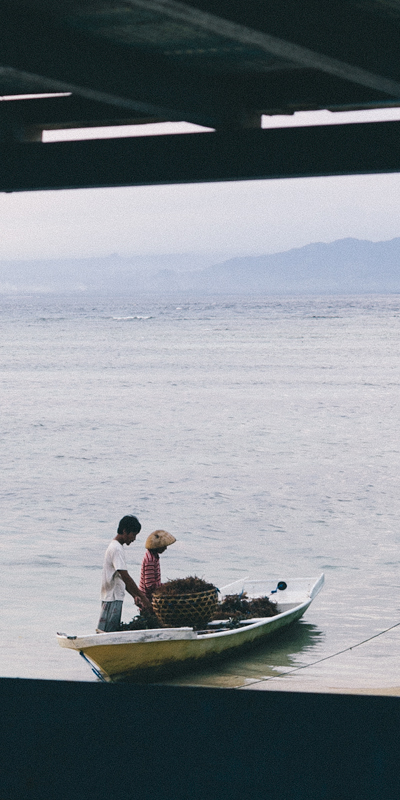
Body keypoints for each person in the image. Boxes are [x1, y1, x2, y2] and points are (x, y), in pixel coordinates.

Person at [97, 515, 152, 632]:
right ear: (125, 531)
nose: (134, 539)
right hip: (112, 597)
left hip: (112, 596)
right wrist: (143, 597)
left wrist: (134, 596)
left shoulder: (116, 547)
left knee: (106, 631)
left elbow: (121, 578)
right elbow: (125, 576)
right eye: (133, 534)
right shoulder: (116, 549)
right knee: (108, 633)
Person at [138, 529, 176, 604]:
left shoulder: (154, 556)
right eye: (164, 546)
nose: (165, 548)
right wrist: (166, 586)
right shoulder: (150, 559)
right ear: (157, 546)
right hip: (147, 600)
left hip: (150, 598)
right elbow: (150, 585)